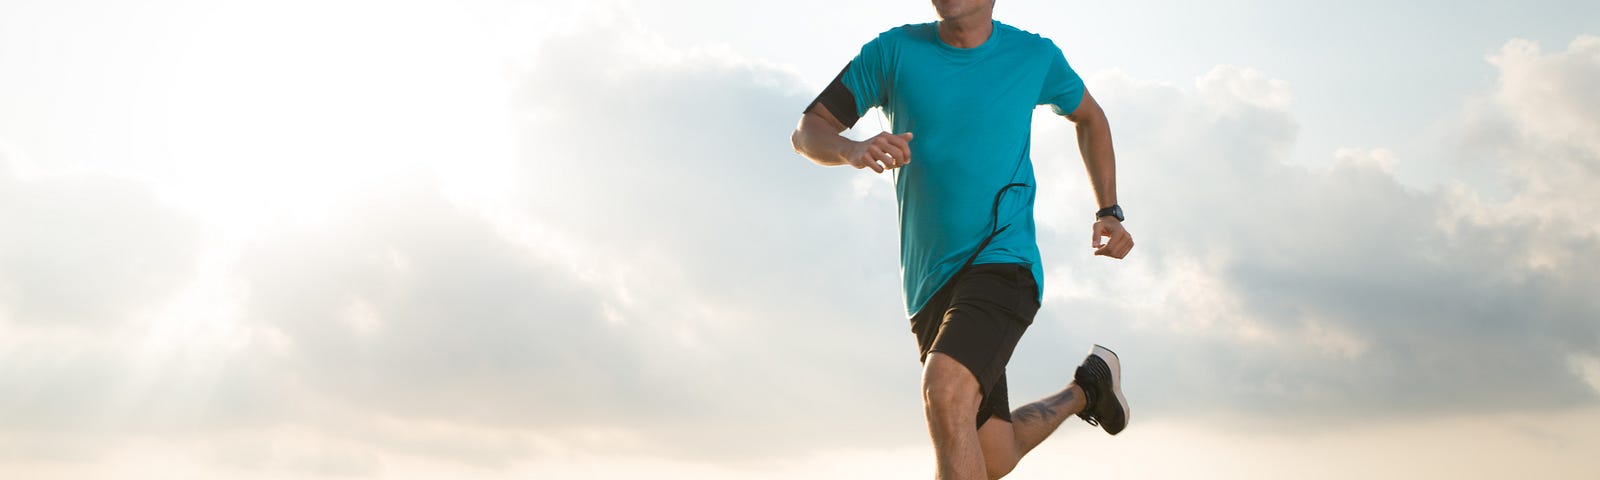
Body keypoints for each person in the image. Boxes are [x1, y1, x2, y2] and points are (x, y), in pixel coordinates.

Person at [789, 1, 1133, 478]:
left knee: (945, 391)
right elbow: (809, 129)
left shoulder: (1034, 56)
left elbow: (1091, 117)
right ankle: (1087, 389)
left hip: (1003, 259)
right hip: (929, 283)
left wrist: (1108, 212)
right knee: (993, 453)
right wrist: (851, 147)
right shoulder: (892, 51)